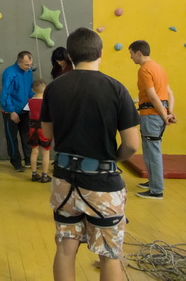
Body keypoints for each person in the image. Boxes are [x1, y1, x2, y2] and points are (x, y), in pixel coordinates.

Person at [41, 27, 140, 281]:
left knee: (65, 248)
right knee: (109, 254)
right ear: (101, 52)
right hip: (102, 183)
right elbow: (131, 144)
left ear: (70, 55)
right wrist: (113, 158)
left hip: (63, 180)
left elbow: (47, 132)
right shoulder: (115, 88)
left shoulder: (54, 88)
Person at [128, 40, 176, 199]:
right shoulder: (159, 68)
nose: (131, 57)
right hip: (158, 114)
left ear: (139, 53)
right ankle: (153, 181)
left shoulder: (144, 70)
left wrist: (164, 115)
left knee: (153, 151)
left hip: (152, 114)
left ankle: (156, 190)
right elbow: (169, 93)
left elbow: (153, 96)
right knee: (149, 150)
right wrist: (169, 112)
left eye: (131, 54)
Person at [0, 51, 34, 171]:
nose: (29, 67)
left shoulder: (29, 72)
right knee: (12, 137)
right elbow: (5, 94)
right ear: (19, 63)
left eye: (30, 64)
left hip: (25, 109)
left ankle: (29, 159)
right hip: (11, 110)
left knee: (27, 135)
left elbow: (30, 89)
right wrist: (11, 111)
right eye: (26, 65)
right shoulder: (9, 73)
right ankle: (16, 162)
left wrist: (32, 103)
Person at [26, 79, 51, 183]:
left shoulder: (30, 101)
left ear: (33, 89)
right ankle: (45, 175)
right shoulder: (47, 102)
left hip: (32, 128)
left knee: (34, 151)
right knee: (46, 152)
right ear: (45, 90)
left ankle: (34, 174)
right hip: (44, 128)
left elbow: (30, 115)